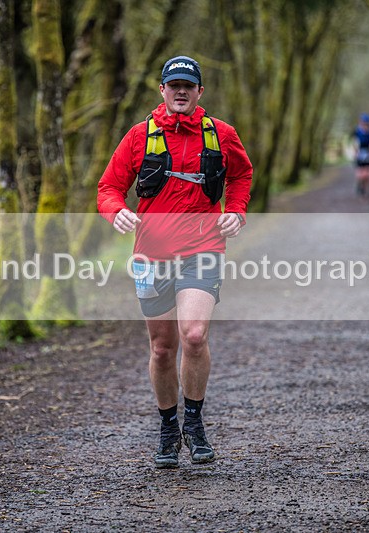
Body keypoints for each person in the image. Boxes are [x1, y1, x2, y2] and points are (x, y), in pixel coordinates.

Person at [97, 55, 253, 468]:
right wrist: (116, 212)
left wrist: (236, 210)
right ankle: (168, 427)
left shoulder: (220, 134)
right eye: (173, 85)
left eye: (188, 85)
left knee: (195, 334)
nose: (180, 91)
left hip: (204, 247)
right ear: (162, 90)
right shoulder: (138, 136)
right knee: (163, 348)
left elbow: (241, 175)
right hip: (151, 255)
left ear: (200, 91)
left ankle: (195, 421)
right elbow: (109, 186)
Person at [350, 113, 369, 197]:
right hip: (360, 154)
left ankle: (367, 191)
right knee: (360, 174)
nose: (364, 125)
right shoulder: (357, 131)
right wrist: (355, 151)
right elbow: (352, 141)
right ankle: (360, 186)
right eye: (363, 123)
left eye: (366, 123)